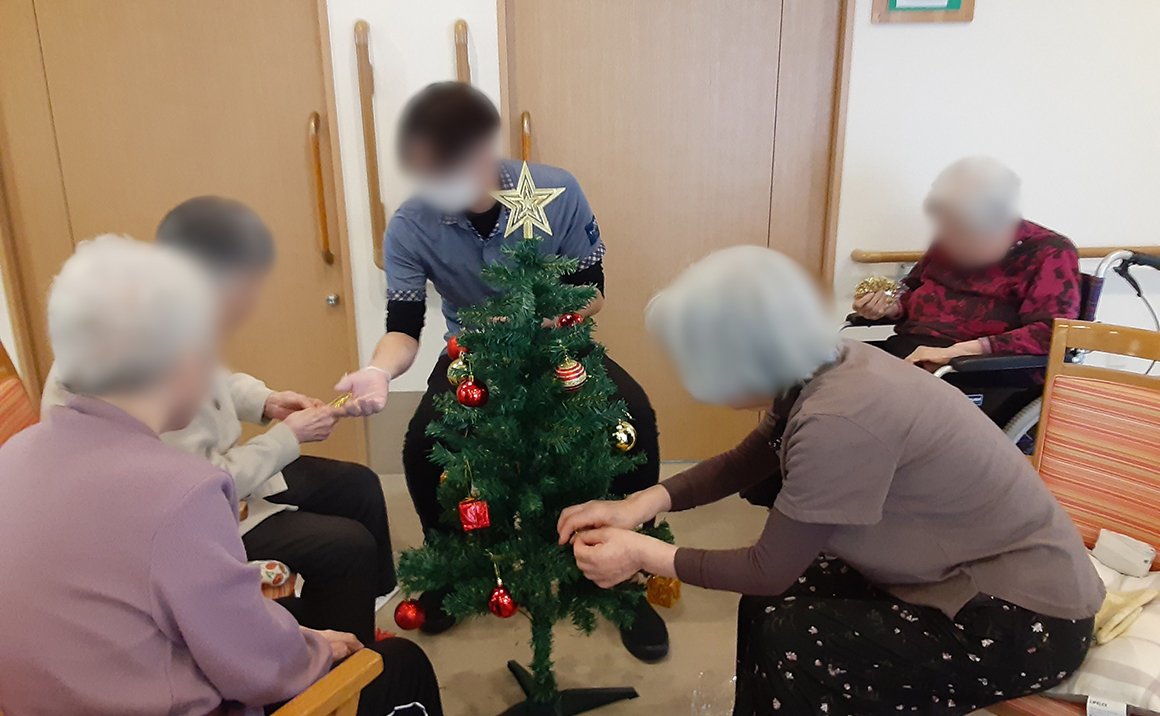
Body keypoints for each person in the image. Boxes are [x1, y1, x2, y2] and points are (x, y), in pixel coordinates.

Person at [558, 246, 1103, 716]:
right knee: (771, 607)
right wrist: (640, 504)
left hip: (1021, 619)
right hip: (957, 573)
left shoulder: (838, 420)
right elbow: (750, 458)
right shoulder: (826, 364)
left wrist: (643, 553)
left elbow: (767, 569)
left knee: (792, 634)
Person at [0, 236, 441, 716]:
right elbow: (263, 671)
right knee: (401, 664)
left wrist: (266, 401)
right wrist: (317, 650)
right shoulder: (179, 494)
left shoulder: (15, 455)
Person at [335, 81, 668, 661]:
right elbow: (404, 328)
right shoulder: (411, 224)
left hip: (556, 339)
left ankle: (626, 571)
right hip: (474, 353)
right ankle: (451, 567)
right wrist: (379, 372)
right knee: (422, 448)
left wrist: (539, 321)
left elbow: (592, 293)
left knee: (632, 416)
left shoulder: (557, 191)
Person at [41, 198, 395, 645]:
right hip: (197, 514)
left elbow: (215, 379)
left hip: (222, 479)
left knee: (357, 486)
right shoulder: (116, 396)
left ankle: (359, 611)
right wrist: (287, 438)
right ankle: (344, 663)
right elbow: (199, 484)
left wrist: (267, 402)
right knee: (346, 546)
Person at [852, 157, 1081, 425]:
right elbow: (913, 290)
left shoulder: (1049, 252)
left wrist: (957, 352)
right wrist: (890, 305)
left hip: (979, 370)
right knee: (822, 376)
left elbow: (1052, 333)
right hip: (912, 353)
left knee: (858, 410)